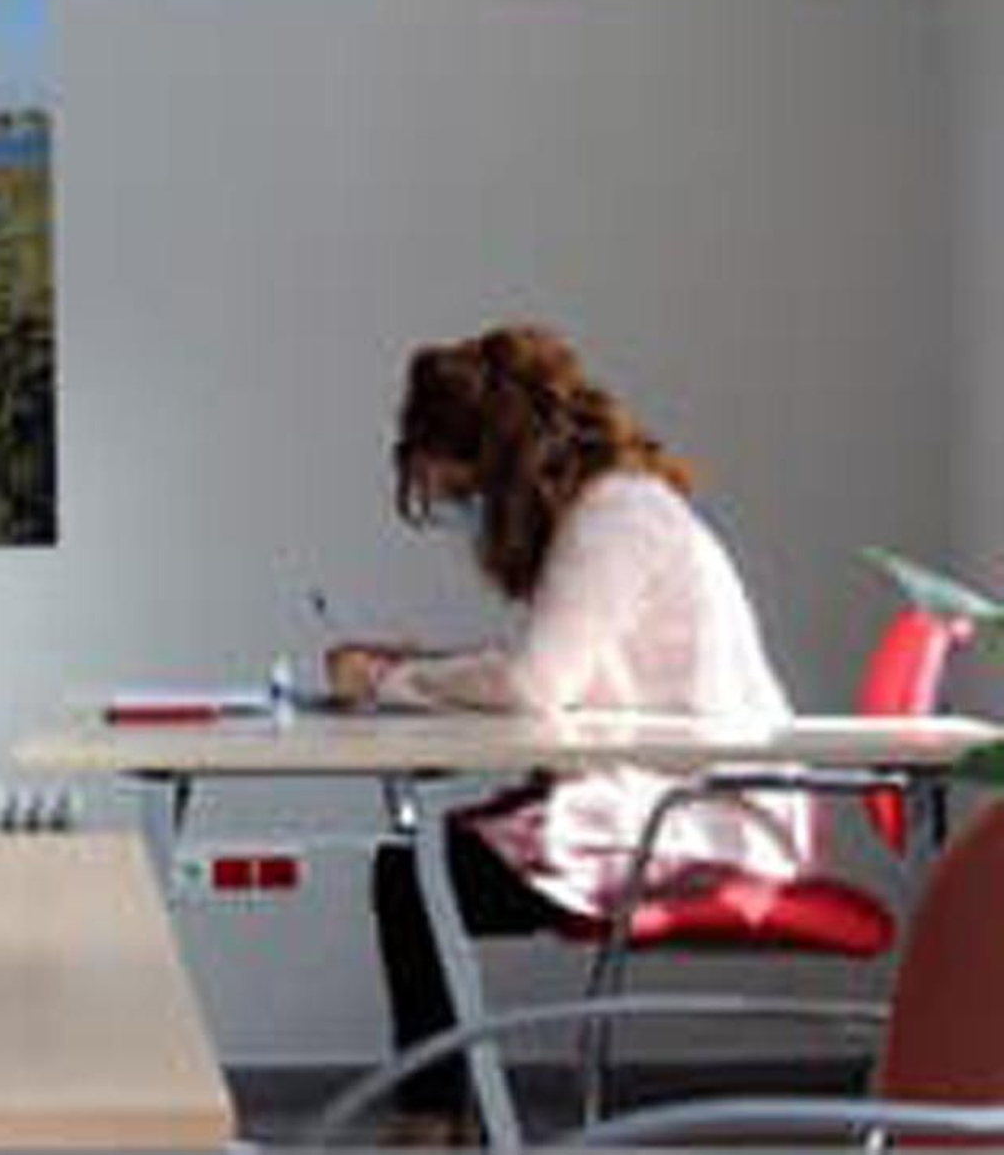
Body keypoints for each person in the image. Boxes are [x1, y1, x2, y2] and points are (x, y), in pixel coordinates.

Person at [327, 324, 807, 1113]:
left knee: (414, 875)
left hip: (699, 818)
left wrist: (390, 679)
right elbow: (558, 673)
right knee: (420, 865)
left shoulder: (617, 518)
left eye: (462, 496)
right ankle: (445, 1119)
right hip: (671, 796)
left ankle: (436, 1126)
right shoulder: (616, 508)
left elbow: (533, 685)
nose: (467, 517)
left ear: (496, 461)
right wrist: (418, 671)